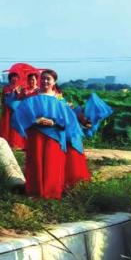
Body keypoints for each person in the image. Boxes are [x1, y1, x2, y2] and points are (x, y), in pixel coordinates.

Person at [17, 69, 81, 200]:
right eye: (43, 78)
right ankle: (34, 191)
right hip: (35, 133)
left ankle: (51, 192)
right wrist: (35, 120)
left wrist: (54, 121)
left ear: (54, 82)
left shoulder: (59, 98)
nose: (45, 81)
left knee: (52, 162)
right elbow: (21, 113)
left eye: (48, 79)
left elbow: (67, 118)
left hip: (54, 135)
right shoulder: (32, 96)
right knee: (35, 161)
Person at [1, 72, 25, 150]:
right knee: (7, 126)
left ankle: (16, 144)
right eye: (13, 77)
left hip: (16, 110)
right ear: (10, 78)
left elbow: (23, 99)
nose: (14, 79)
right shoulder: (5, 87)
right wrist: (2, 107)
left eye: (16, 77)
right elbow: (2, 98)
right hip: (7, 110)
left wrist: (18, 93)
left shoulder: (21, 88)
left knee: (15, 126)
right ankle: (6, 142)